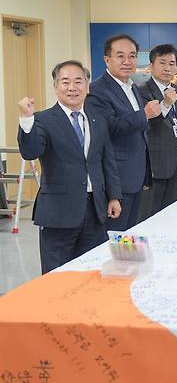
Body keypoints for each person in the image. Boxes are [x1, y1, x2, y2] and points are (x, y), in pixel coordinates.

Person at [17, 61, 122, 273]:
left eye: (78, 81)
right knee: (57, 275)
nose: (72, 87)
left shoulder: (97, 119)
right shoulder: (42, 120)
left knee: (91, 272)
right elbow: (30, 152)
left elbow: (106, 161)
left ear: (87, 86)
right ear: (56, 87)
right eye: (65, 82)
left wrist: (114, 196)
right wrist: (26, 120)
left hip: (95, 211)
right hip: (59, 214)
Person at [87, 34, 161, 231]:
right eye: (120, 56)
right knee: (112, 238)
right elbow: (106, 128)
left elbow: (138, 133)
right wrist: (144, 115)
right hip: (116, 179)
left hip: (135, 177)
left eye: (132, 56)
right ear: (107, 59)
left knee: (128, 235)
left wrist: (145, 174)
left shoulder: (132, 87)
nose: (127, 62)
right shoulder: (97, 90)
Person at [137, 44, 177, 220]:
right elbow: (144, 125)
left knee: (169, 215)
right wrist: (165, 104)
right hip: (154, 165)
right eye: (162, 62)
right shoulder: (141, 91)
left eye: (172, 63)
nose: (168, 68)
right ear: (151, 65)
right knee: (148, 215)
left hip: (175, 162)